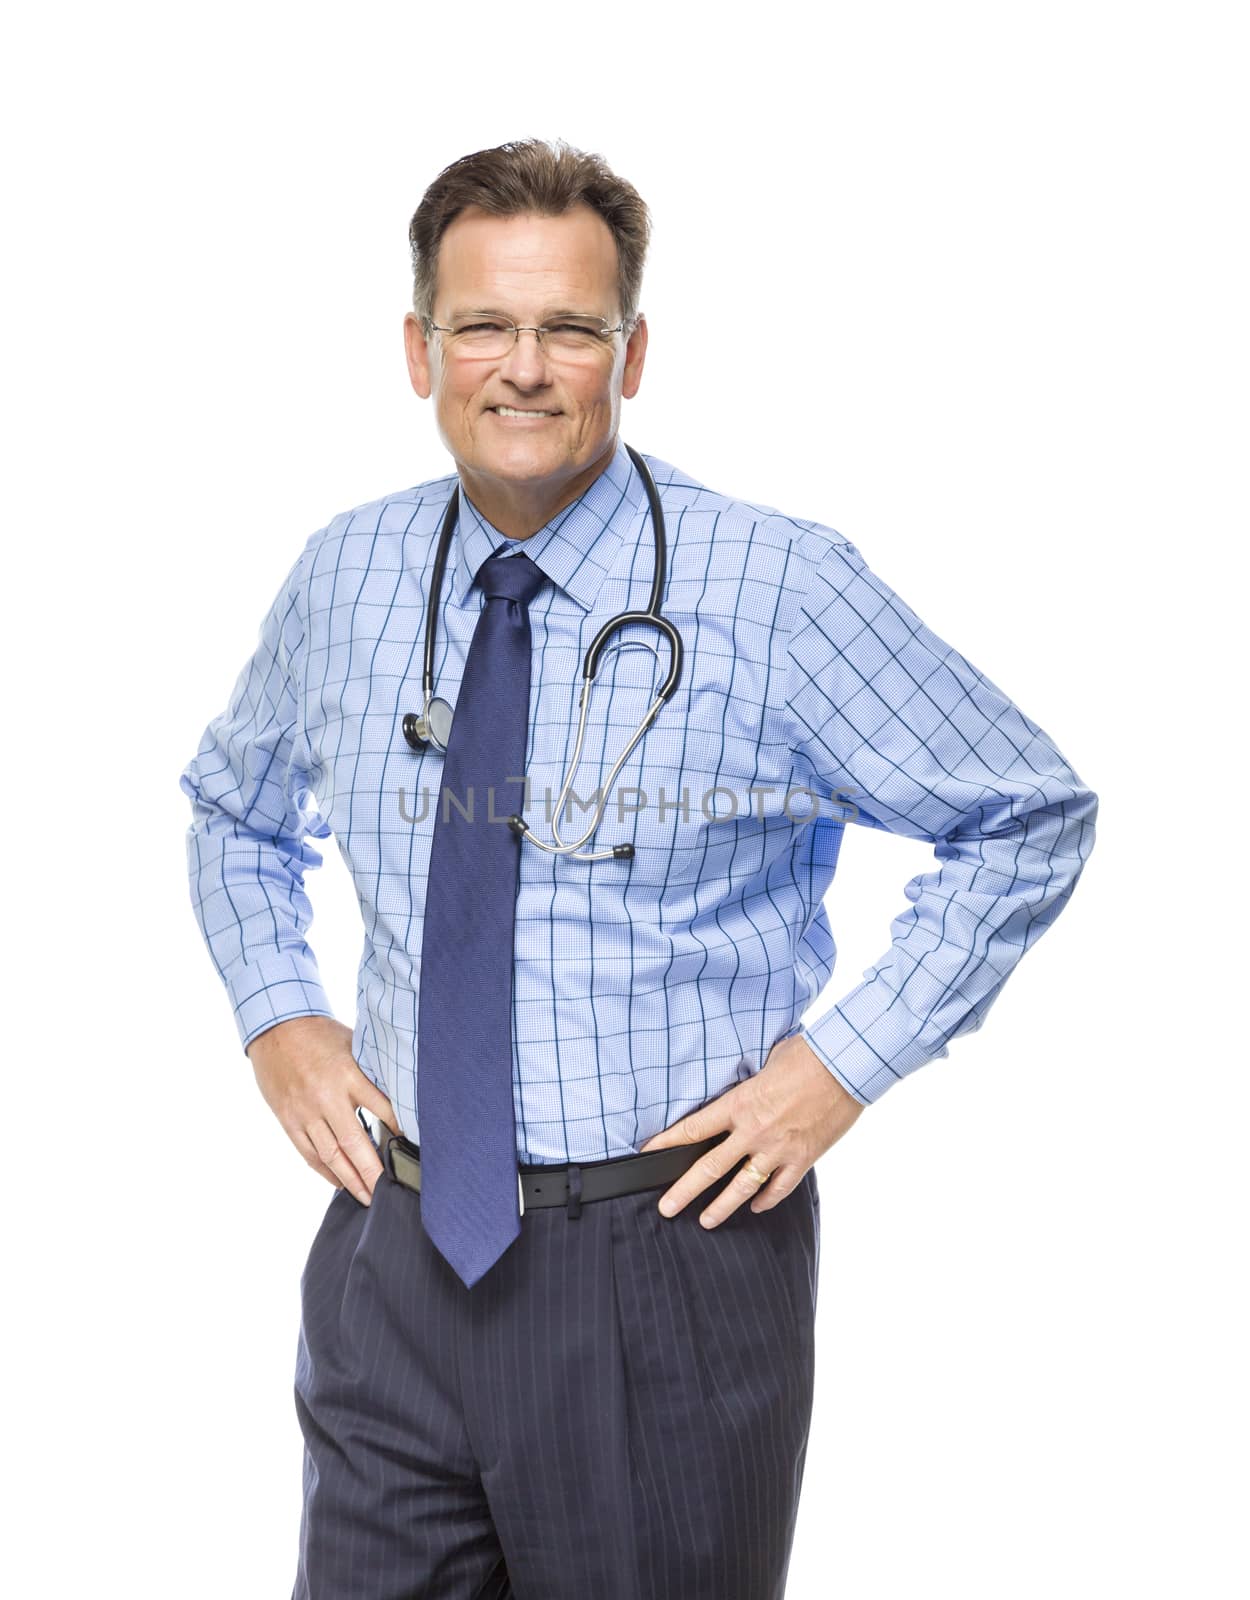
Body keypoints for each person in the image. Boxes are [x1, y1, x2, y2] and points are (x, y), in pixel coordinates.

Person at [179, 136, 1098, 1600]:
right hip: (393, 1254)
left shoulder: (775, 587)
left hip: (662, 1261)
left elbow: (1025, 813)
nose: (523, 367)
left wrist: (839, 1065)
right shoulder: (344, 573)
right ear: (419, 351)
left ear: (633, 352)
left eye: (570, 329)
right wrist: (277, 1015)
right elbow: (231, 808)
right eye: (483, 324)